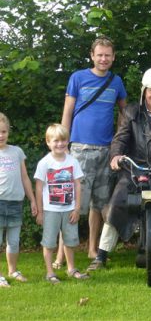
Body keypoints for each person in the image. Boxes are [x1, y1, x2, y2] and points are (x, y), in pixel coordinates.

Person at [88, 68, 151, 270]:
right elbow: (120, 138)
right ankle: (101, 256)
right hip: (136, 168)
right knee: (118, 200)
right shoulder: (131, 112)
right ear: (144, 91)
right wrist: (116, 155)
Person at [59, 36, 127, 265]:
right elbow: (67, 111)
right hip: (79, 148)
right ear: (92, 55)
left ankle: (91, 249)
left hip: (106, 150)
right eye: (100, 54)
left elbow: (124, 114)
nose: (104, 59)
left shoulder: (116, 82)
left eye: (108, 55)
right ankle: (61, 255)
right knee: (73, 203)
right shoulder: (77, 78)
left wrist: (118, 140)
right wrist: (63, 143)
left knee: (98, 204)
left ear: (113, 57)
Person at [34, 124, 89, 284]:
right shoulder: (44, 163)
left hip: (69, 209)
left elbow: (78, 185)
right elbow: (38, 188)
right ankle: (50, 273)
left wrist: (77, 208)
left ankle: (71, 269)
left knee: (70, 241)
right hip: (50, 210)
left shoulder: (73, 162)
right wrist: (40, 211)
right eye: (56, 141)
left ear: (67, 141)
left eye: (63, 140)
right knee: (49, 242)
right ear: (48, 142)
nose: (60, 144)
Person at [0, 112, 37, 288]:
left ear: (8, 132)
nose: (1, 135)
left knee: (13, 241)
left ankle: (12, 270)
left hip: (15, 203)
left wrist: (32, 200)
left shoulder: (17, 152)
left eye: (4, 131)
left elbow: (24, 178)